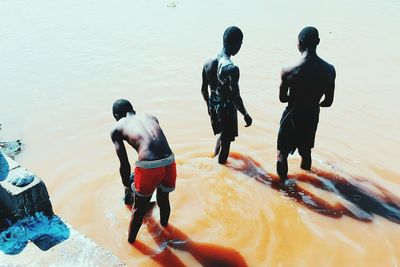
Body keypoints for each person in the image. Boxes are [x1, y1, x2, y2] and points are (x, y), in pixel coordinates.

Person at [110, 99, 176, 243]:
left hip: (149, 165)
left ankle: (131, 243)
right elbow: (155, 143)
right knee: (164, 199)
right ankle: (167, 232)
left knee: (138, 209)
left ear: (116, 115)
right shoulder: (151, 117)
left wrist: (127, 186)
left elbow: (124, 164)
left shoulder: (117, 127)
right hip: (170, 160)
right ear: (133, 109)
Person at [277, 26, 336, 184]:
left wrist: (297, 98)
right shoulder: (329, 70)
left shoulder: (288, 70)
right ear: (317, 42)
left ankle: (283, 186)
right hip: (311, 114)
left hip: (292, 114)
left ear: (299, 44)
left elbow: (282, 99)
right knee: (305, 151)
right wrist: (312, 101)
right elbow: (328, 102)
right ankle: (306, 181)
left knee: (282, 153)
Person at [201, 26, 253, 164]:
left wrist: (208, 106)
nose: (240, 46)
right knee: (226, 144)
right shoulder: (232, 69)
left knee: (223, 134)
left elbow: (203, 90)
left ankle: (214, 155)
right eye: (240, 43)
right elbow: (236, 96)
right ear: (237, 44)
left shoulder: (208, 61)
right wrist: (245, 114)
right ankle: (220, 167)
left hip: (213, 105)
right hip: (226, 108)